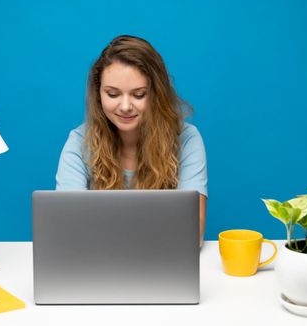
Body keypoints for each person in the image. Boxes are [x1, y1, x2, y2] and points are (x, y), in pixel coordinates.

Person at [55, 35, 208, 244]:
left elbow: (193, 232)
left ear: (156, 94)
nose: (125, 106)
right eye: (112, 94)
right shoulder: (79, 142)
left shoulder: (187, 139)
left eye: (138, 95)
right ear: (98, 93)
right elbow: (67, 227)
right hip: (98, 265)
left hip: (161, 264)